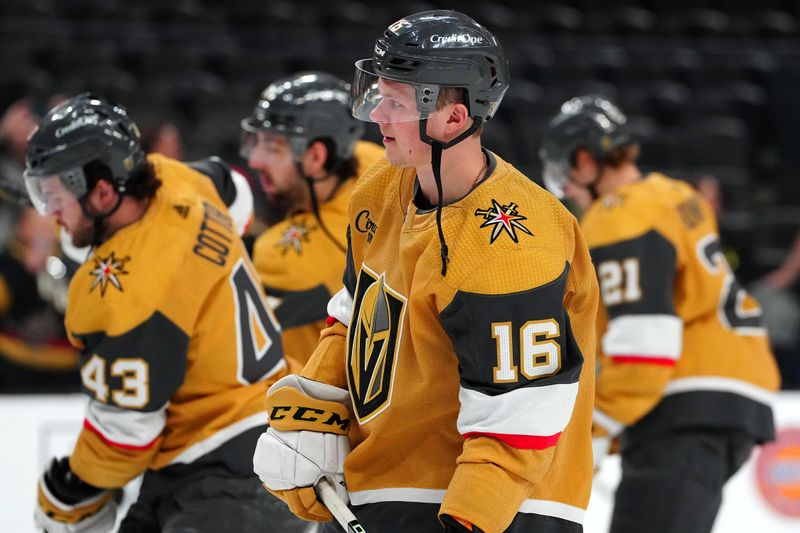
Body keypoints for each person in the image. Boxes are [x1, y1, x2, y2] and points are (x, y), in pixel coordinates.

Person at [253, 10, 599, 533]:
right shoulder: (379, 189)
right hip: (383, 488)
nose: (376, 117)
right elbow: (354, 313)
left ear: (453, 119)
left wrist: (469, 520)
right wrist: (319, 407)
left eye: (395, 102)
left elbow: (519, 422)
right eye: (378, 94)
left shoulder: (514, 239)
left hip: (500, 511)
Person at [26, 93, 307, 533]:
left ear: (101, 192)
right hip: (259, 439)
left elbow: (125, 436)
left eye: (54, 195)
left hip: (227, 465)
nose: (50, 213)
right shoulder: (177, 178)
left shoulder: (125, 293)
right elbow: (238, 201)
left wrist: (72, 489)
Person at [540, 95, 780, 533]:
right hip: (724, 395)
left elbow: (643, 349)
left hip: (685, 404)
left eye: (564, 174)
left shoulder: (619, 217)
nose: (567, 190)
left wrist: (587, 435)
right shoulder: (675, 194)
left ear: (584, 159)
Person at [241, 71, 383, 365]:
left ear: (318, 157)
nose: (255, 160)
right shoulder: (376, 163)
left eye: (272, 147)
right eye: (257, 142)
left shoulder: (278, 255)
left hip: (311, 397)